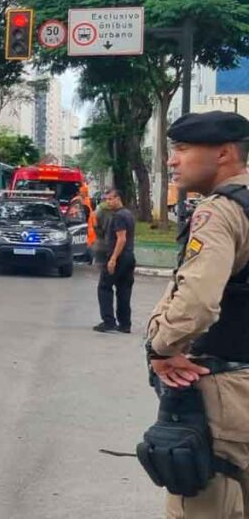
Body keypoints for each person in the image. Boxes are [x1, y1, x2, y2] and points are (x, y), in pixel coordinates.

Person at [145, 110, 249, 517]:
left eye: (183, 149)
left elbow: (197, 302)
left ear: (223, 154)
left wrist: (162, 347)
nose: (173, 160)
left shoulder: (220, 211)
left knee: (204, 504)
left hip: (228, 390)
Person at [93, 188, 137, 333]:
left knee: (104, 287)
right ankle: (125, 324)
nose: (108, 202)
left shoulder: (118, 216)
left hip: (119, 257)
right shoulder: (128, 214)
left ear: (118, 198)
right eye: (106, 199)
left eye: (110, 199)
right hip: (129, 256)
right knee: (124, 290)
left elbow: (121, 238)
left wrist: (112, 259)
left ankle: (108, 321)